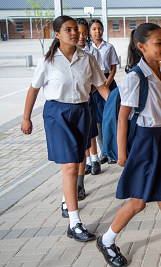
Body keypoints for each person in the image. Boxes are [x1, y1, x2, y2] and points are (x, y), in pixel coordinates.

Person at [96, 23, 161, 267]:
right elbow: (123, 117)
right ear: (141, 47)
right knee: (138, 202)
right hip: (144, 142)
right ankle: (106, 239)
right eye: (159, 44)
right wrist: (122, 153)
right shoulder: (135, 77)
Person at [21, 15, 110, 242]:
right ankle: (74, 223)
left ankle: (66, 197)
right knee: (70, 166)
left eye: (76, 30)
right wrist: (26, 118)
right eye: (68, 30)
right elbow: (33, 90)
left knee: (78, 160)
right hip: (57, 115)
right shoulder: (47, 61)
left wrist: (121, 111)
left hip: (82, 112)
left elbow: (101, 87)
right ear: (56, 34)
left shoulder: (88, 59)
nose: (75, 33)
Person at [89, 19, 119, 167]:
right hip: (93, 86)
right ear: (89, 31)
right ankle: (103, 152)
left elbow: (113, 68)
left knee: (110, 117)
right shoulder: (87, 49)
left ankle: (113, 151)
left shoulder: (109, 47)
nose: (97, 32)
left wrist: (106, 83)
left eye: (100, 29)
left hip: (107, 83)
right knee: (98, 121)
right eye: (94, 29)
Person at [81, 18, 105, 176]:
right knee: (82, 133)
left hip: (91, 94)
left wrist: (90, 91)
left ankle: (95, 159)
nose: (80, 36)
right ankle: (87, 161)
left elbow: (99, 77)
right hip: (78, 99)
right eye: (78, 32)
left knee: (92, 129)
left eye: (83, 33)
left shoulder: (92, 52)